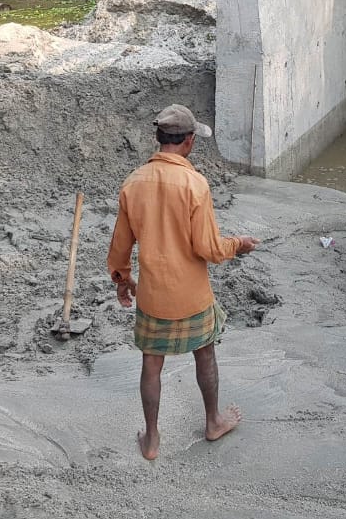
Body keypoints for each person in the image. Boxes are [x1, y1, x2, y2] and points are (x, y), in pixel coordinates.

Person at [107, 104, 260, 460]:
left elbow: (120, 244)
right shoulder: (194, 184)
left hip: (153, 294)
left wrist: (122, 278)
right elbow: (207, 248)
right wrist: (239, 244)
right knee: (205, 354)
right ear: (189, 141)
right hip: (191, 294)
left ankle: (152, 439)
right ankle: (213, 421)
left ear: (160, 139)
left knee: (151, 362)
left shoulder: (133, 182)